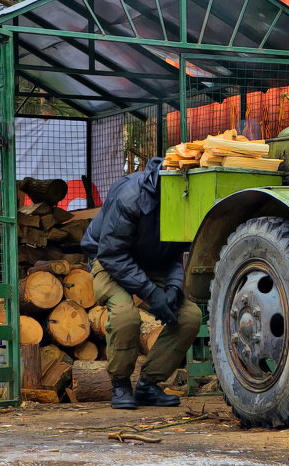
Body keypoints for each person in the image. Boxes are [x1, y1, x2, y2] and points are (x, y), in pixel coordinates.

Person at [82, 157, 202, 409]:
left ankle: (149, 384)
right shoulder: (130, 196)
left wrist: (171, 288)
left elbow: (176, 253)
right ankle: (120, 384)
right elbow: (112, 253)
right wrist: (150, 293)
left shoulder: (187, 200)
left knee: (189, 316)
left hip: (154, 263)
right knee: (126, 315)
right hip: (109, 260)